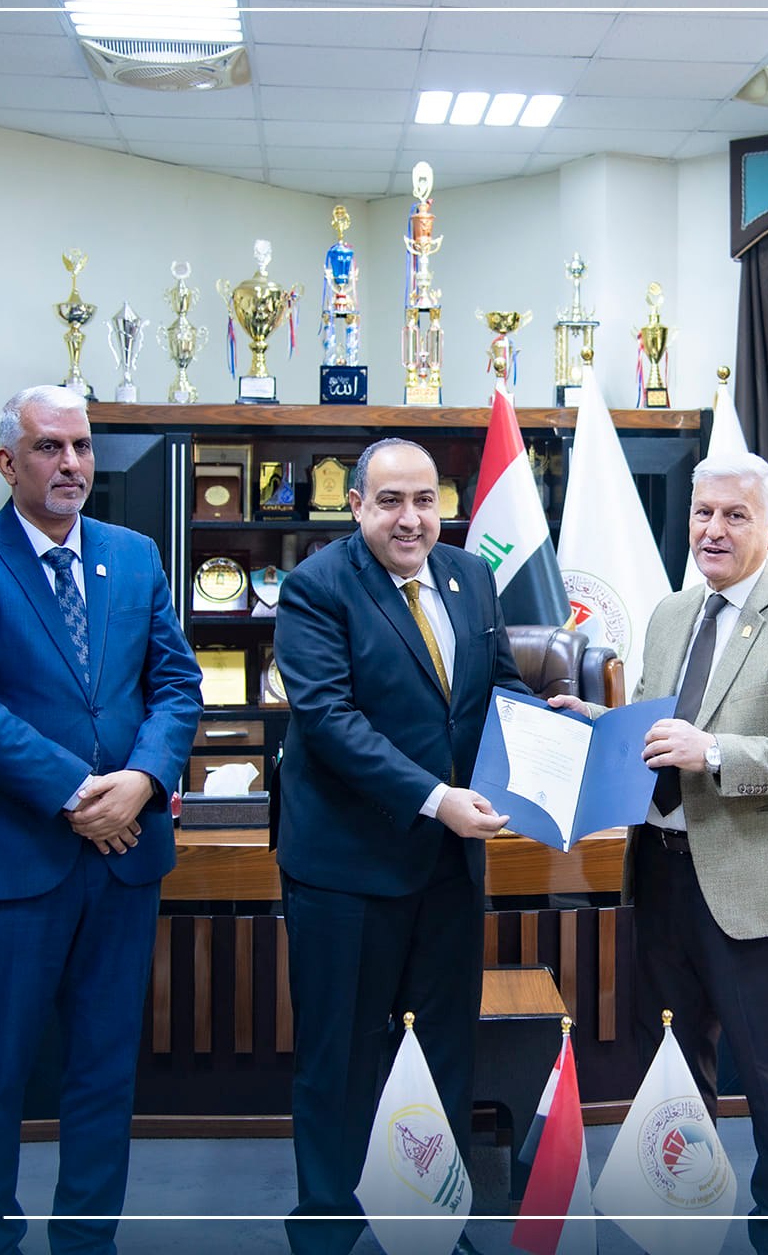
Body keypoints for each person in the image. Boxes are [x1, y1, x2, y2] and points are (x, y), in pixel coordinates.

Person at [0, 385, 202, 1255]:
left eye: (81, 446)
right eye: (49, 447)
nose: (71, 463)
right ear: (9, 462)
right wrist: (82, 794)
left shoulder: (133, 555)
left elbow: (176, 684)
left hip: (125, 859)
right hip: (9, 862)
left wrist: (142, 779)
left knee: (104, 1070)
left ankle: (86, 1240)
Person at [550, 452, 768, 1255]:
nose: (713, 530)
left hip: (754, 882)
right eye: (703, 513)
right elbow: (657, 729)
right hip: (659, 872)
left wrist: (714, 750)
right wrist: (594, 721)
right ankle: (681, 1222)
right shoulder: (670, 612)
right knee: (672, 1068)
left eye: (734, 516)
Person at [272, 437, 526, 1255]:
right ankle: (328, 1226)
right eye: (390, 502)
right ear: (356, 506)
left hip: (447, 869)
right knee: (340, 1062)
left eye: (425, 500)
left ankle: (431, 1219)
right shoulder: (317, 588)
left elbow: (497, 688)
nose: (410, 519)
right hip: (347, 870)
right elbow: (330, 721)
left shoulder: (470, 576)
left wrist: (554, 721)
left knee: (444, 1053)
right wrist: (437, 799)